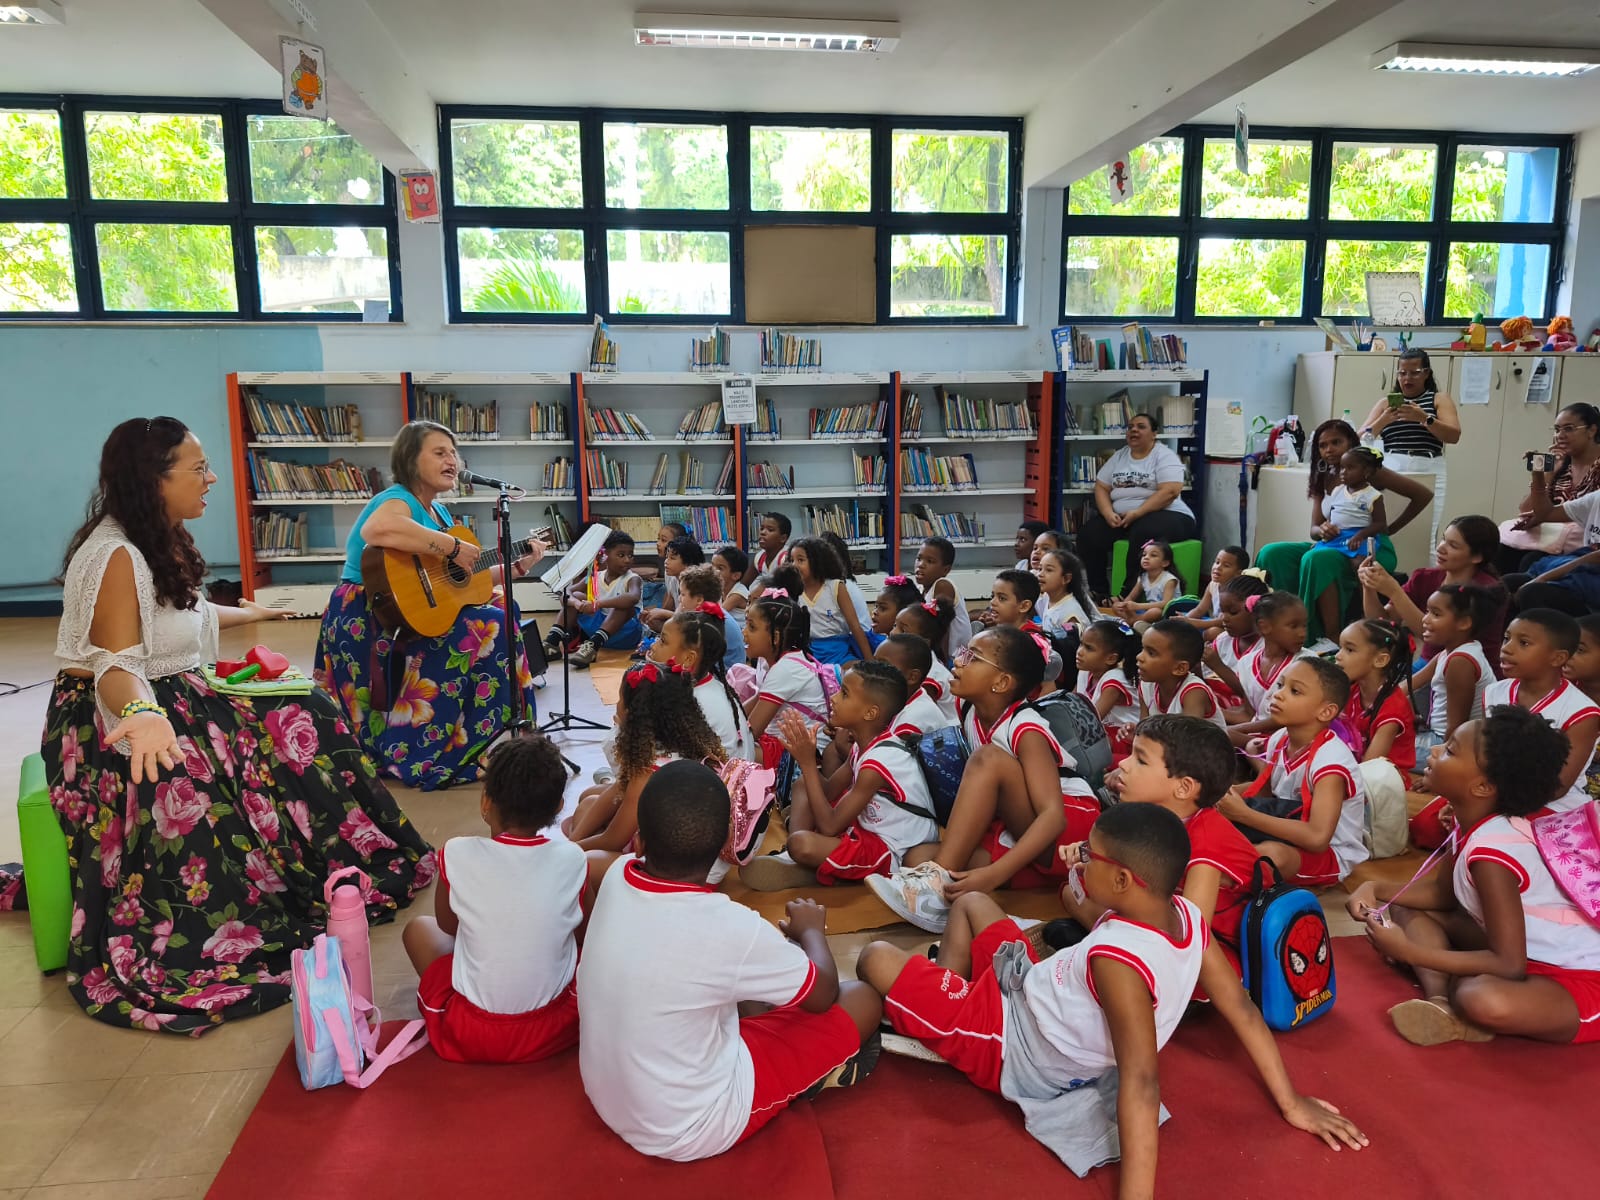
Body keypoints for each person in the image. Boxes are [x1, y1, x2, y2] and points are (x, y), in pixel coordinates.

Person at [46, 416, 433, 1033]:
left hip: (173, 695)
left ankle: (339, 858)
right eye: (198, 468)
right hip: (113, 721)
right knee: (193, 790)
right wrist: (144, 717)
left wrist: (248, 613)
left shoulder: (153, 534)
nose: (212, 479)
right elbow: (116, 667)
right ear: (153, 478)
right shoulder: (115, 555)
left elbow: (177, 616)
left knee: (307, 709)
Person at [856, 804, 1367, 1193]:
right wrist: (1291, 1102)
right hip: (1032, 987)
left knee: (874, 957)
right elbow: (1242, 1010)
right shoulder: (1188, 917)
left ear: (1122, 880)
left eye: (1089, 856)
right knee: (971, 902)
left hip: (1013, 1038)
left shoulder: (1119, 962)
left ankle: (949, 1021)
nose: (1080, 859)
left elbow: (1141, 1082)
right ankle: (943, 1011)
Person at [577, 762, 883, 1162]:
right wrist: (811, 931)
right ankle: (806, 1076)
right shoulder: (730, 925)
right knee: (862, 999)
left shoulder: (617, 875)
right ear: (725, 841)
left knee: (744, 986)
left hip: (604, 1092)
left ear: (640, 839)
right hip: (688, 1124)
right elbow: (823, 994)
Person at [315, 418, 547, 790]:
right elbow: (376, 529)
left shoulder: (439, 514)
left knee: (504, 610)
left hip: (409, 615)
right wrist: (453, 546)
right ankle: (424, 748)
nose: (452, 460)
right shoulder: (397, 499)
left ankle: (479, 743)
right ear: (410, 459)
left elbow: (461, 586)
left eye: (454, 453)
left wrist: (517, 567)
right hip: (369, 613)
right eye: (439, 453)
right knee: (492, 624)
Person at [1349, 707, 1600, 1047]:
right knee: (1403, 906)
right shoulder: (1473, 824)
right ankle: (1439, 1002)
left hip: (1579, 975)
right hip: (1527, 953)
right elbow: (1442, 896)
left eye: (1450, 751)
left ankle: (1455, 1000)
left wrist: (1409, 952)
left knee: (1479, 998)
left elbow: (1508, 963)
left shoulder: (1494, 852)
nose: (1434, 750)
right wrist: (1374, 887)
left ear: (1482, 786)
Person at [867, 627, 1098, 932]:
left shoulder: (1026, 728)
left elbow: (1053, 817)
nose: (958, 660)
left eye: (972, 657)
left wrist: (994, 875)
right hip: (1017, 825)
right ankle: (942, 882)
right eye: (962, 652)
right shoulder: (969, 710)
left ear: (1001, 682)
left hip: (1066, 828)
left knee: (987, 759)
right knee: (916, 855)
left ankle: (936, 885)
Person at [404, 734, 583, 1064]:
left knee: (418, 930)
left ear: (486, 801)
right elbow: (581, 934)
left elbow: (448, 926)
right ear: (559, 807)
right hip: (554, 1029)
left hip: (471, 1032)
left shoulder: (456, 853)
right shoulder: (573, 859)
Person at [1057, 716, 1261, 971]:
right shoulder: (1152, 816)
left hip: (1225, 951)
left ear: (1183, 788)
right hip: (1169, 914)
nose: (1123, 764)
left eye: (1141, 760)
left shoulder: (1207, 843)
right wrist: (1089, 857)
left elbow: (1193, 938)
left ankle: (1110, 941)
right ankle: (1110, 937)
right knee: (1072, 890)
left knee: (1090, 900)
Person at [744, 662, 937, 891]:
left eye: (844, 693)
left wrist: (807, 762)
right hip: (865, 828)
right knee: (804, 785)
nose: (834, 698)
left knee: (802, 843)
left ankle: (811, 866)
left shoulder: (878, 763)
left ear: (870, 713)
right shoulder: (863, 747)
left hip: (890, 850)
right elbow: (828, 791)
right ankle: (794, 859)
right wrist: (804, 757)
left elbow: (829, 826)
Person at [1255, 418, 1432, 645]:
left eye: (1336, 442)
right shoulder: (1323, 474)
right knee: (1272, 552)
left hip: (1365, 547)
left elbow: (1423, 495)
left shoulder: (1368, 471)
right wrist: (1322, 529)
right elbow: (1314, 530)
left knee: (1316, 559)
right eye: (1322, 445)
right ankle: (1279, 623)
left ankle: (1326, 636)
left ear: (1351, 443)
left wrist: (1388, 530)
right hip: (1333, 544)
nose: (1329, 449)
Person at [564, 661, 725, 893]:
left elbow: (614, 840)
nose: (617, 705)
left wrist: (569, 853)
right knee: (589, 801)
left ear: (633, 714)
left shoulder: (648, 772)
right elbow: (618, 790)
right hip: (702, 862)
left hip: (678, 877)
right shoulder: (690, 745)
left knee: (586, 863)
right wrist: (574, 844)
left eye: (620, 699)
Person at [1219, 658, 1369, 887]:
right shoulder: (1280, 739)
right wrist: (1219, 795)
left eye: (1295, 691)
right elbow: (1263, 793)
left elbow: (1317, 838)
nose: (1278, 695)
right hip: (1286, 827)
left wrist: (1244, 815)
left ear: (1326, 711)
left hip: (1329, 854)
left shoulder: (1330, 763)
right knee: (1209, 814)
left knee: (1271, 856)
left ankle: (1209, 883)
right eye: (1280, 685)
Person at [1482, 609, 1599, 813]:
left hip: (1552, 804)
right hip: (1492, 790)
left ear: (1557, 658)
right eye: (1507, 638)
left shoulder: (1583, 712)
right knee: (1430, 821)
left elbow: (1558, 786)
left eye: (1523, 643)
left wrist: (1491, 804)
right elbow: (1480, 751)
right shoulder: (1494, 691)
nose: (1507, 648)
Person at [1359, 515, 1506, 674]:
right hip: (1429, 663)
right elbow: (1382, 622)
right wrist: (1369, 586)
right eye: (1443, 539)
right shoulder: (1424, 577)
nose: (1440, 548)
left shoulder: (1485, 591)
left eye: (1453, 545)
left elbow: (1434, 636)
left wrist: (1395, 592)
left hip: (1466, 672)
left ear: (1477, 557)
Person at [1075, 413, 1200, 597]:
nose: (1134, 430)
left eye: (1141, 427)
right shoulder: (1120, 456)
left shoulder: (1164, 456)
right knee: (1088, 535)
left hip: (1171, 515)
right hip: (1127, 518)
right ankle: (1099, 592)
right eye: (1130, 427)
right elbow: (1101, 486)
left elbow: (1171, 491)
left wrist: (1138, 512)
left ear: (1154, 433)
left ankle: (1127, 593)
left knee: (1143, 532)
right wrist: (1108, 513)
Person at [1357, 347, 1461, 547]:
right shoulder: (1385, 402)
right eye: (1402, 373)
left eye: (1414, 373)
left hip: (1429, 465)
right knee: (1389, 526)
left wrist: (1424, 418)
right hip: (1392, 466)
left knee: (1426, 531)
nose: (1407, 379)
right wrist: (1383, 420)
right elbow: (1358, 438)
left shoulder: (1439, 399)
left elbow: (1453, 435)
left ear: (1426, 373)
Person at [1497, 403, 1600, 573]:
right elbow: (1526, 509)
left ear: (1592, 430)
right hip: (1551, 538)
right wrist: (1549, 473)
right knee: (1501, 550)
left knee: (1531, 560)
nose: (1560, 436)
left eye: (1568, 429)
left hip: (1585, 542)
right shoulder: (1562, 466)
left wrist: (1545, 517)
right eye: (1557, 430)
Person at [1304, 448, 1389, 637]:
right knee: (1315, 554)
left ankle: (1366, 607)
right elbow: (1332, 517)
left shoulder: (1373, 495)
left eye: (1350, 468)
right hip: (1338, 537)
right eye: (1342, 468)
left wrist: (1360, 536)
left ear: (1366, 471)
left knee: (1360, 565)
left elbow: (1380, 524)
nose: (1343, 472)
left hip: (1361, 535)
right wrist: (1325, 531)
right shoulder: (1338, 491)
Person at [650, 609, 753, 763]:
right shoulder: (705, 686)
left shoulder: (689, 702)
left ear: (689, 658)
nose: (653, 646)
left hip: (719, 778)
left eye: (663, 641)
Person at [1411, 584, 1497, 750]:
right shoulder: (1448, 653)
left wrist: (1443, 756)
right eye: (1427, 611)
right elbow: (1409, 685)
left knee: (1386, 749)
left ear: (1464, 623)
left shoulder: (1461, 661)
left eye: (1436, 614)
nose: (1425, 619)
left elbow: (1456, 726)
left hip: (1447, 741)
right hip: (1437, 734)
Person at [544, 530, 643, 669]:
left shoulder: (633, 578)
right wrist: (577, 603)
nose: (627, 560)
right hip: (601, 631)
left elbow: (633, 597)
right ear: (605, 555)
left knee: (624, 605)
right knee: (577, 595)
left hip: (625, 635)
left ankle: (592, 646)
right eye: (621, 555)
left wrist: (597, 604)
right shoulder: (595, 577)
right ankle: (552, 643)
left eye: (630, 555)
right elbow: (566, 593)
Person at [1225, 592, 1310, 746]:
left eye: (1304, 625)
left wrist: (1237, 730)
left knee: (1225, 736)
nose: (1302, 633)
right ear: (1265, 626)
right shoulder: (1246, 663)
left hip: (1292, 738)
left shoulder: (1306, 662)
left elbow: (1293, 716)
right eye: (1293, 626)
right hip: (1258, 735)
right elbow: (1249, 713)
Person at [1334, 619, 1415, 771]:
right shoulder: (1352, 689)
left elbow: (1369, 767)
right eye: (1340, 648)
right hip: (1352, 768)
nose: (1338, 656)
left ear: (1380, 660)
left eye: (1349, 650)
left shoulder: (1393, 709)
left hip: (1381, 779)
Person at [790, 536, 872, 664]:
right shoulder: (793, 590)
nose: (794, 565)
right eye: (791, 560)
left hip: (838, 652)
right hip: (808, 653)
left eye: (800, 560)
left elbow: (855, 626)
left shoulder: (836, 587)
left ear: (817, 561)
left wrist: (870, 661)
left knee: (856, 672)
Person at [1137, 619, 1226, 729]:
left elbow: (1187, 737)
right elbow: (1143, 729)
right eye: (1142, 649)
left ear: (1180, 668)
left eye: (1151, 653)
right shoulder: (1146, 684)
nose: (1139, 657)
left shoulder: (1194, 692)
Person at [1201, 574, 1269, 707]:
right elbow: (1206, 682)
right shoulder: (1222, 640)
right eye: (1222, 611)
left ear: (1257, 613)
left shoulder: (1265, 650)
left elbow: (1252, 698)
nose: (1224, 618)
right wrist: (1197, 668)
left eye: (1233, 612)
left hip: (1241, 710)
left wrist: (1218, 666)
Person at [874, 633, 956, 734]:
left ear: (912, 677)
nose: (873, 670)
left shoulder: (914, 717)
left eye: (883, 665)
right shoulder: (903, 699)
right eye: (874, 662)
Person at [1075, 619, 1140, 738]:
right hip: (1102, 729)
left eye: (1089, 648)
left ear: (1111, 659)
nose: (1079, 652)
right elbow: (1072, 701)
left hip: (1123, 736)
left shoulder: (1114, 681)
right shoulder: (1086, 671)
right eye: (1081, 644)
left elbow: (1092, 720)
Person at [678, 563, 745, 672]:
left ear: (699, 600)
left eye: (683, 594)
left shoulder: (708, 622)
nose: (679, 599)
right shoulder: (710, 614)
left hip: (725, 676)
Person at [914, 535, 973, 658]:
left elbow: (942, 629)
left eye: (930, 561)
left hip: (958, 658)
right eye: (919, 558)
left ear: (946, 570)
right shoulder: (920, 589)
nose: (921, 565)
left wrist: (942, 663)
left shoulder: (942, 585)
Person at [642, 535, 705, 635]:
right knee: (652, 621)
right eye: (667, 557)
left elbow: (695, 620)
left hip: (698, 629)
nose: (666, 562)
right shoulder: (673, 580)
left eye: (672, 558)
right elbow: (668, 608)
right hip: (682, 623)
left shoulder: (698, 584)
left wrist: (663, 613)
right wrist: (651, 614)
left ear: (688, 563)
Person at [1111, 539, 1181, 624]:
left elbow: (1166, 603)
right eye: (1144, 555)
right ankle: (1138, 621)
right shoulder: (1143, 577)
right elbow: (1131, 597)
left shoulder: (1169, 580)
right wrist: (1124, 605)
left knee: (1155, 612)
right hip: (1147, 611)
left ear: (1165, 563)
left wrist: (1138, 606)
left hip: (1166, 613)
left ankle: (1134, 621)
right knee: (1115, 606)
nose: (1146, 557)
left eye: (1153, 555)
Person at [1182, 546, 1249, 631]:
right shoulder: (1213, 585)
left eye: (1226, 565)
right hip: (1215, 623)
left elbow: (1228, 620)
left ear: (1238, 573)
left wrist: (1197, 623)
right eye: (1217, 562)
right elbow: (1200, 610)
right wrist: (1185, 620)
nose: (1218, 567)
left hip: (1232, 629)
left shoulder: (1239, 592)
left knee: (1212, 632)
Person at [639, 521, 688, 612]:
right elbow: (669, 596)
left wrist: (662, 613)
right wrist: (658, 611)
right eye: (658, 539)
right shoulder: (669, 571)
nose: (658, 543)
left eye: (663, 540)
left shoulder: (687, 578)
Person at [711, 544, 750, 625]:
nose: (713, 571)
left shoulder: (738, 594)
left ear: (736, 575)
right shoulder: (721, 590)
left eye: (720, 568)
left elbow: (717, 615)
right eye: (712, 566)